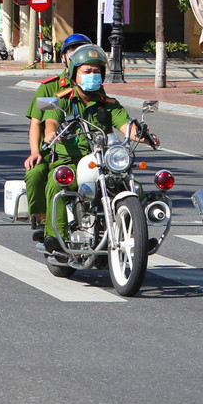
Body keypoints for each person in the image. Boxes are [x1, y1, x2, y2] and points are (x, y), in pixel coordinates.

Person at [40, 44, 160, 250]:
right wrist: (51, 132)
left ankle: (135, 237)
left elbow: (126, 126)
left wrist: (144, 136)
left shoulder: (108, 103)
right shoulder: (63, 100)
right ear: (74, 73)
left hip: (104, 161)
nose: (92, 75)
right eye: (86, 71)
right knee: (56, 184)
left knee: (135, 187)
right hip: (70, 160)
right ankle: (55, 236)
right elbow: (51, 121)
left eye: (96, 71)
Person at [23, 33, 93, 240]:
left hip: (86, 150)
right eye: (73, 52)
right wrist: (35, 151)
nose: (77, 57)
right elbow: (38, 121)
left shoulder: (91, 84)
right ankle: (44, 221)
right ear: (64, 57)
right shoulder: (51, 87)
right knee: (35, 174)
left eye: (82, 53)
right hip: (53, 149)